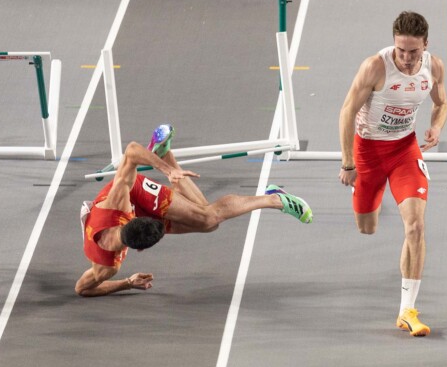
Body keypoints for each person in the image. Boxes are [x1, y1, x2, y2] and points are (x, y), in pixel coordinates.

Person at [76, 124, 312, 297]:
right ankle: (165, 152)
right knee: (208, 223)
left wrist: (166, 172)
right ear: (136, 248)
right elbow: (83, 289)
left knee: (208, 216)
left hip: (136, 193)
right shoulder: (108, 267)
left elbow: (131, 150)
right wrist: (127, 282)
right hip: (133, 216)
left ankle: (275, 199)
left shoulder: (117, 202)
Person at [338, 11, 447, 337]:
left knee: (415, 226)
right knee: (367, 228)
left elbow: (441, 103)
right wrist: (348, 163)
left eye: (413, 51)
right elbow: (346, 111)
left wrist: (437, 128)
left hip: (404, 151)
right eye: (401, 50)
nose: (406, 57)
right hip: (368, 154)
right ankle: (379, 196)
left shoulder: (434, 67)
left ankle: (407, 310)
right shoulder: (375, 66)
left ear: (425, 45)